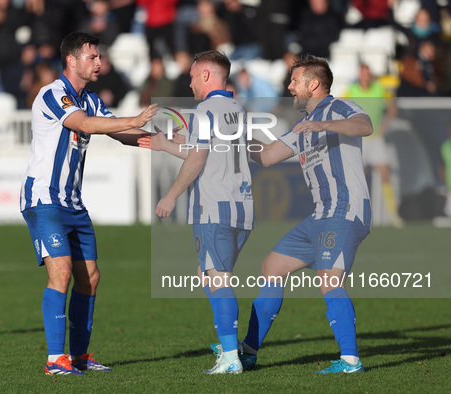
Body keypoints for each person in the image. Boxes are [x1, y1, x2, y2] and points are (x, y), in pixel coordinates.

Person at [211, 54, 373, 374]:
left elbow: (365, 125)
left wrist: (323, 124)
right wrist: (235, 136)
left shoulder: (338, 108)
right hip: (320, 215)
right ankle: (249, 351)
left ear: (314, 84)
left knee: (329, 279)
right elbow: (269, 156)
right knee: (273, 266)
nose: (290, 86)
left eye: (295, 81)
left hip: (345, 209)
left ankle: (351, 360)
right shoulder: (302, 125)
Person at [20, 32, 157, 376]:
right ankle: (55, 360)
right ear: (72, 60)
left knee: (90, 278)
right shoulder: (52, 94)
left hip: (73, 203)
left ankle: (79, 357)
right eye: (93, 57)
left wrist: (171, 144)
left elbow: (119, 134)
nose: (100, 63)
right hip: (44, 198)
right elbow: (83, 124)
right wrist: (133, 119)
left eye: (99, 57)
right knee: (62, 272)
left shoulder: (90, 98)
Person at [138, 50, 254, 374]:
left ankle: (231, 356)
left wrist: (171, 195)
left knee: (216, 279)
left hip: (213, 205)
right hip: (242, 207)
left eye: (191, 75)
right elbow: (204, 151)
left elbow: (199, 158)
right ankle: (229, 343)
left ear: (205, 75)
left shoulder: (204, 110)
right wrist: (165, 145)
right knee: (211, 276)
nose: (189, 82)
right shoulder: (237, 108)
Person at [344, 63, 403, 227]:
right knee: (359, 179)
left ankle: (393, 216)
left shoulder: (379, 89)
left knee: (385, 174)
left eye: (367, 73)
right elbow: (339, 107)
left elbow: (392, 108)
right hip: (358, 140)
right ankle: (359, 215)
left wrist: (385, 124)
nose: (365, 77)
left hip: (376, 139)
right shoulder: (351, 90)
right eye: (363, 73)